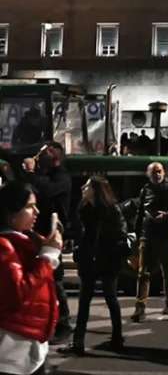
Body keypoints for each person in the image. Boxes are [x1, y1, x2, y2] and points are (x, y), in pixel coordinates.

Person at [58, 176, 129, 356]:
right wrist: (78, 250)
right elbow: (81, 234)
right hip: (88, 261)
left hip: (107, 261)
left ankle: (116, 338)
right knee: (83, 303)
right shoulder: (84, 208)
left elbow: (120, 234)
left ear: (97, 190)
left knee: (111, 299)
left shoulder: (112, 211)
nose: (83, 188)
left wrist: (112, 254)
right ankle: (78, 342)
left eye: (88, 186)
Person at [0, 180, 62, 375]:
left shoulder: (22, 243)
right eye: (29, 206)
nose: (36, 212)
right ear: (11, 213)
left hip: (28, 349)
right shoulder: (5, 246)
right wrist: (48, 256)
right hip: (13, 353)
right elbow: (19, 292)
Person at [131, 162, 168, 322]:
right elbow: (140, 212)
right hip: (147, 236)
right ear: (148, 174)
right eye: (154, 172)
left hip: (166, 235)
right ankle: (140, 307)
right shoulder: (145, 190)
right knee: (143, 273)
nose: (157, 175)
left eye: (159, 171)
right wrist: (138, 233)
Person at [30, 142, 72, 344]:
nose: (37, 156)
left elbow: (46, 191)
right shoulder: (48, 176)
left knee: (55, 279)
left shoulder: (61, 177)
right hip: (40, 232)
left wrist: (30, 172)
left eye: (41, 153)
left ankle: (63, 323)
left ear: (51, 154)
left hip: (51, 234)